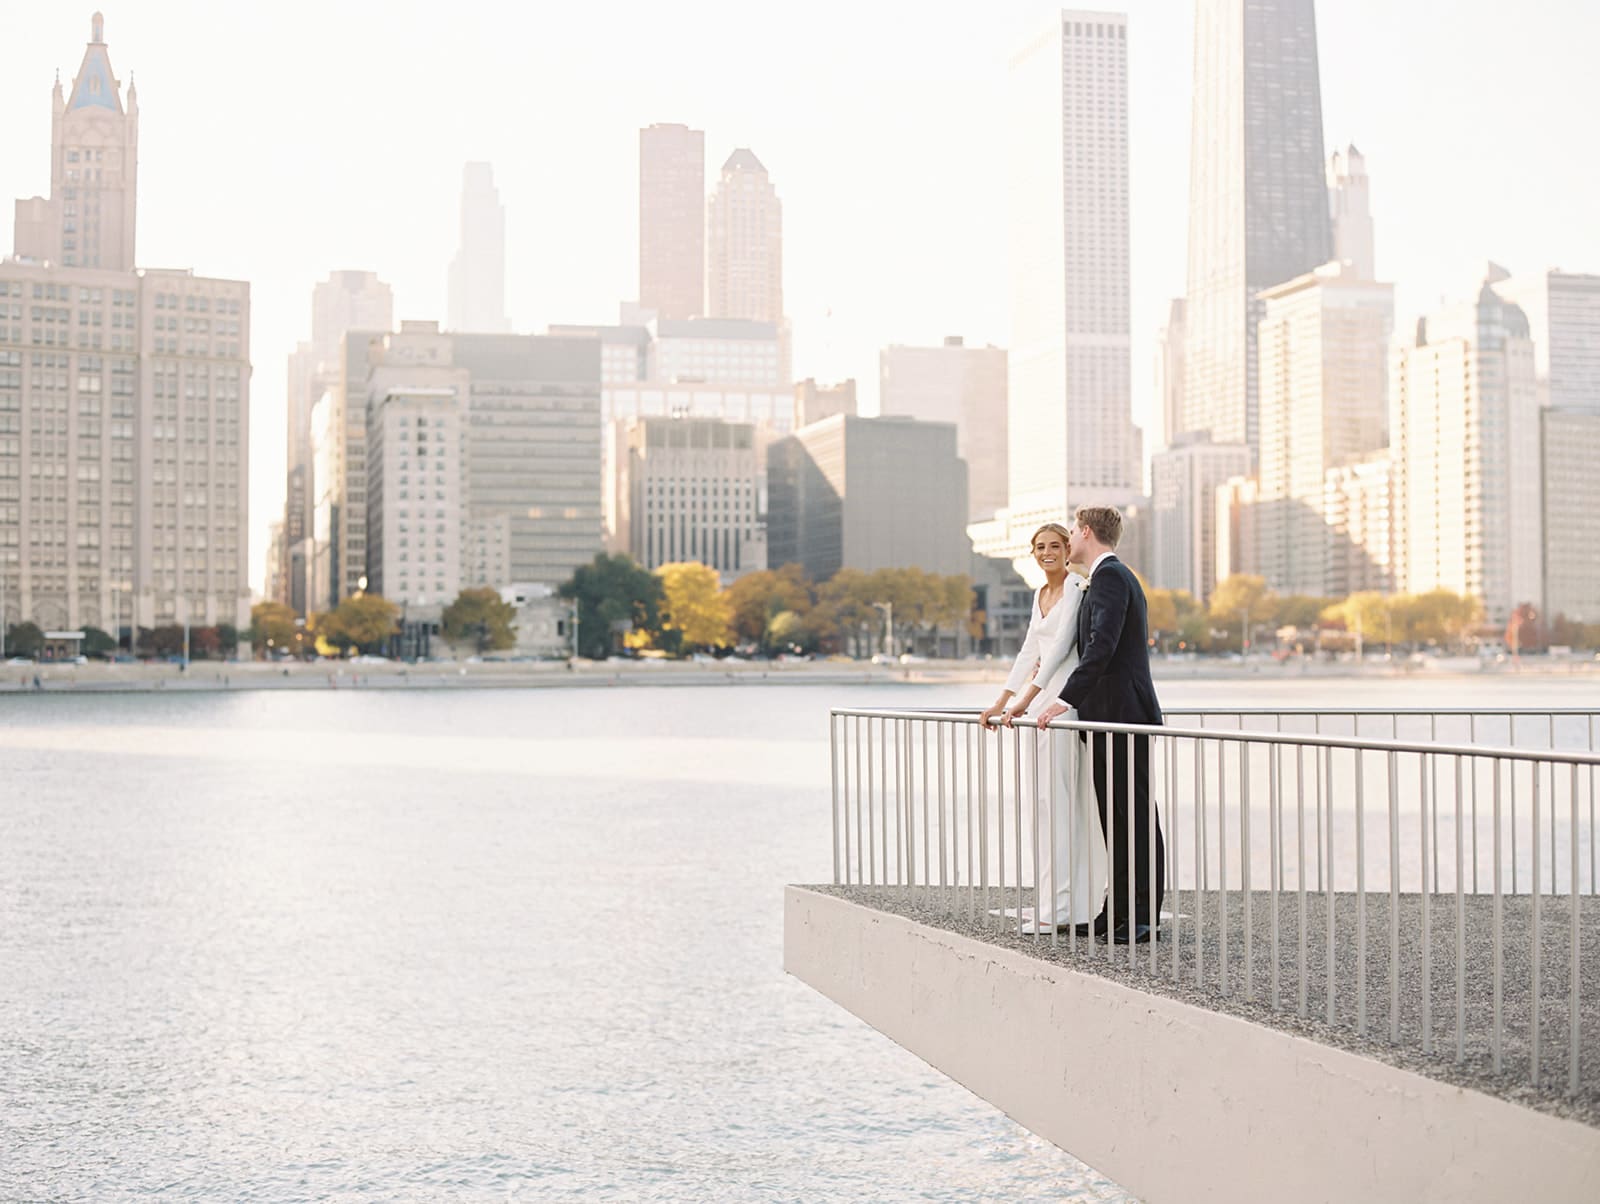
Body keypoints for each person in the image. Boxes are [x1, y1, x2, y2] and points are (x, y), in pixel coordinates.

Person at [1039, 505, 1165, 945]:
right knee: (1116, 817)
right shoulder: (1106, 578)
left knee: (1134, 817)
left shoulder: (1111, 576)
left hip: (1123, 715)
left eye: (1072, 531)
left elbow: (1103, 646)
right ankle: (1116, 912)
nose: (1068, 538)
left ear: (1087, 532)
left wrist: (1063, 700)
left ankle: (1143, 916)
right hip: (1106, 715)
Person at [979, 523, 1106, 934]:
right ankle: (1050, 901)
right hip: (1039, 707)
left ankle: (1064, 908)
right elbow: (1030, 650)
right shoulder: (1040, 595)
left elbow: (1057, 652)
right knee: (1044, 807)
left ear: (1069, 548)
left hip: (1061, 706)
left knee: (1062, 806)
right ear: (1032, 553)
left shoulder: (1075, 588)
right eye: (1040, 547)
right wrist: (1001, 701)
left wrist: (1024, 702)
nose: (1047, 552)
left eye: (1055, 546)